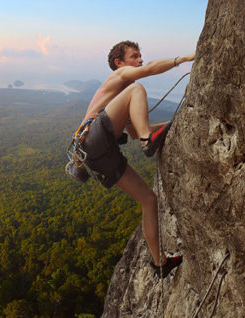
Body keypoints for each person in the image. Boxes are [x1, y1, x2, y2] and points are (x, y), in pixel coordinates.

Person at [79, 41, 195, 277]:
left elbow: (134, 132)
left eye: (141, 56)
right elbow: (149, 70)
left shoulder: (121, 100)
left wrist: (177, 122)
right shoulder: (121, 77)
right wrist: (182, 59)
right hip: (93, 137)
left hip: (97, 154)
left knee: (149, 200)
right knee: (138, 88)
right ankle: (148, 141)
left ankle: (159, 262)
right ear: (119, 63)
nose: (140, 60)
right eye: (135, 56)